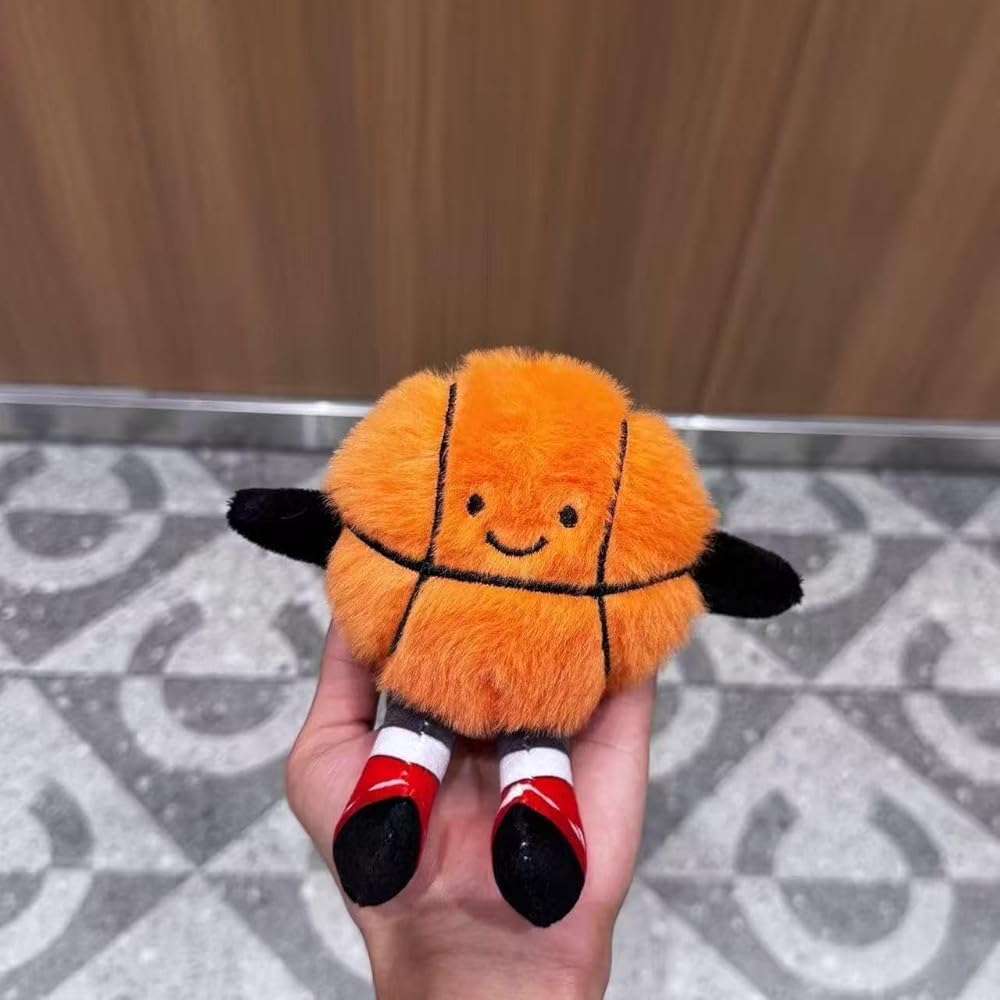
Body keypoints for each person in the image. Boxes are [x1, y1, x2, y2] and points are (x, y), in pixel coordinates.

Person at [285, 623, 655, 1000]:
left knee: (535, 695)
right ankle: (402, 794)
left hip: (527, 644)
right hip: (445, 638)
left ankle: (522, 810)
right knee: (431, 677)